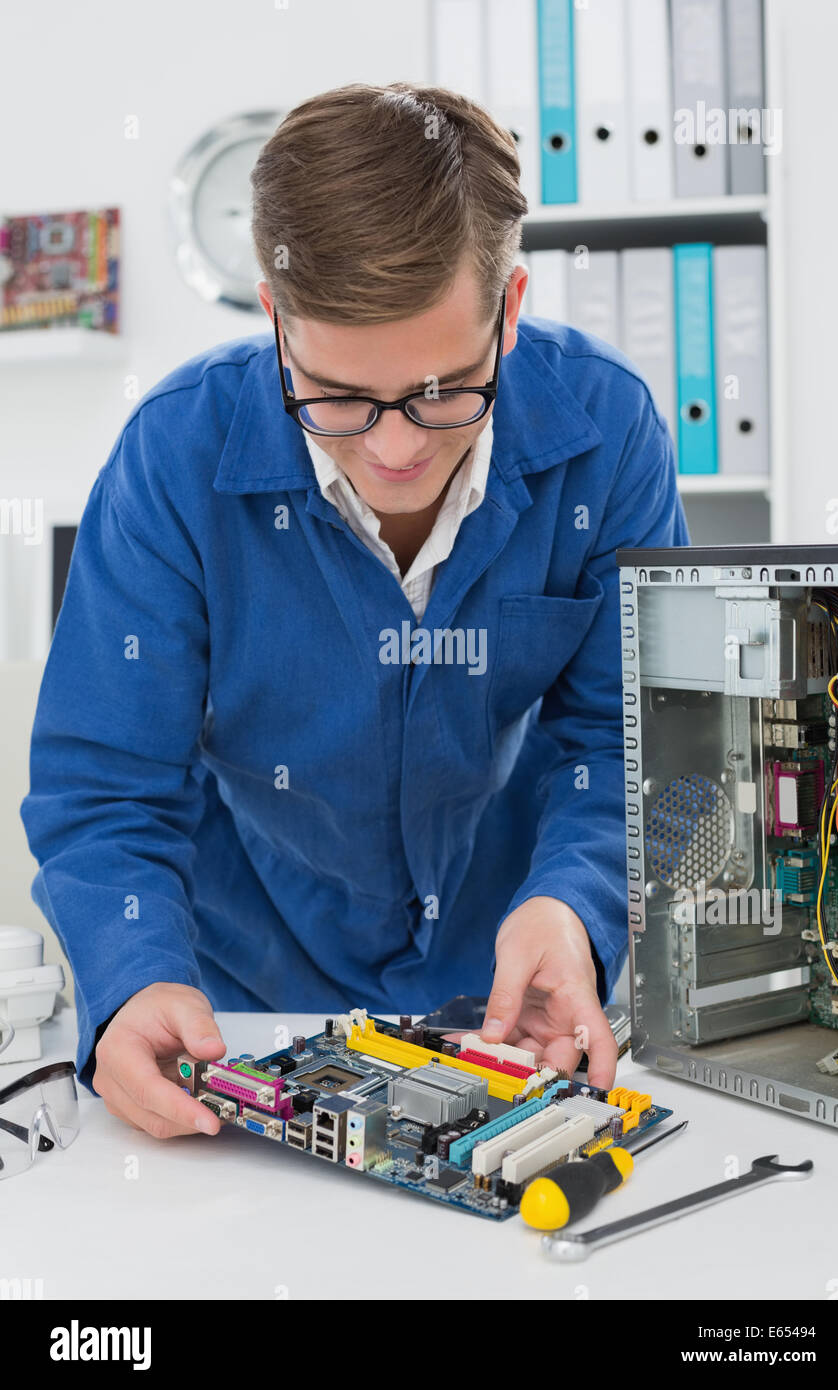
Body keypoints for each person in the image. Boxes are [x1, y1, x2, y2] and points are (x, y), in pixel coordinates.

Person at [20, 83, 688, 1139]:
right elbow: (104, 784)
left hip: (507, 1003)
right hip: (240, 1006)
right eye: (335, 397)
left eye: (440, 391)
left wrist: (572, 908)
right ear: (276, 323)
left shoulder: (607, 434)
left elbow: (626, 742)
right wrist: (133, 975)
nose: (393, 450)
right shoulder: (171, 457)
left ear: (509, 313)